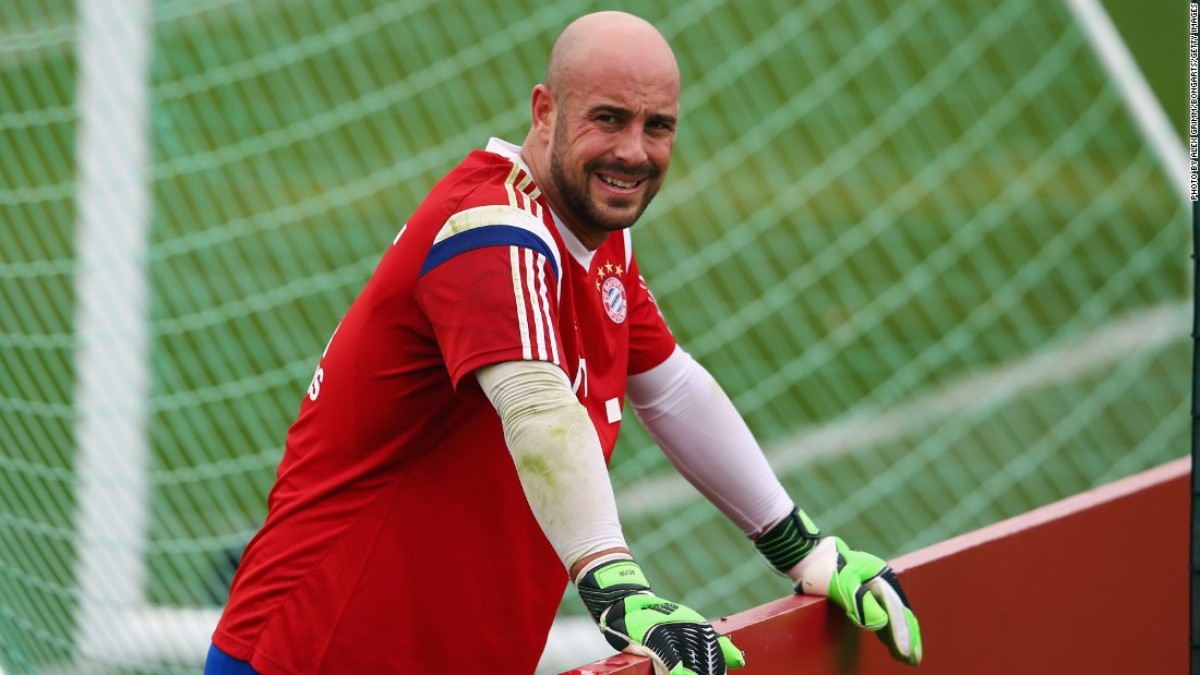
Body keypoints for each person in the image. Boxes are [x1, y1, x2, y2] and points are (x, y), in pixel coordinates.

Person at [207, 10, 922, 675]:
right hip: (314, 653)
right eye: (608, 118)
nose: (633, 151)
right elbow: (538, 408)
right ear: (545, 112)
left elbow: (671, 388)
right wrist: (621, 594)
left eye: (658, 126)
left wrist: (803, 548)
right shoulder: (490, 229)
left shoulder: (597, 239)